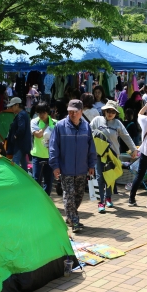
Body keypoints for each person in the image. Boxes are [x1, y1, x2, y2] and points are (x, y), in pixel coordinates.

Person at [49, 99, 97, 232]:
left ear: (81, 112)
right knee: (69, 195)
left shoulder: (86, 127)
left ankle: (70, 216)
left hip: (82, 169)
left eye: (75, 112)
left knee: (79, 196)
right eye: (70, 112)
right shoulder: (60, 126)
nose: (72, 114)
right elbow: (53, 147)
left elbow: (91, 147)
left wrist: (91, 164)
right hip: (66, 169)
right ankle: (75, 221)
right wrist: (55, 165)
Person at [90, 100, 139, 213]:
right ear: (104, 111)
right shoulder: (97, 120)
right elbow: (88, 132)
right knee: (99, 178)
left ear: (116, 113)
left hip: (113, 155)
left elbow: (126, 136)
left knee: (111, 177)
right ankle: (100, 202)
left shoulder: (117, 123)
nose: (110, 113)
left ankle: (108, 197)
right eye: (108, 111)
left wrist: (134, 149)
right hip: (99, 154)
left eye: (113, 111)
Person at [30, 102, 57, 195]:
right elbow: (38, 135)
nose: (41, 115)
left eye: (43, 112)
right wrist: (47, 126)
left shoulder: (55, 123)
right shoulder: (34, 121)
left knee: (49, 181)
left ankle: (46, 201)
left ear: (48, 112)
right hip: (37, 155)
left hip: (50, 156)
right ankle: (37, 200)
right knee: (36, 180)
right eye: (39, 112)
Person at [6, 97, 31, 170]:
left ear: (17, 105)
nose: (11, 108)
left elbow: (21, 128)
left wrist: (15, 136)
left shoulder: (21, 115)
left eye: (12, 106)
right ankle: (26, 179)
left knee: (15, 163)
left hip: (20, 144)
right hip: (23, 144)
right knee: (23, 163)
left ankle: (15, 180)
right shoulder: (24, 114)